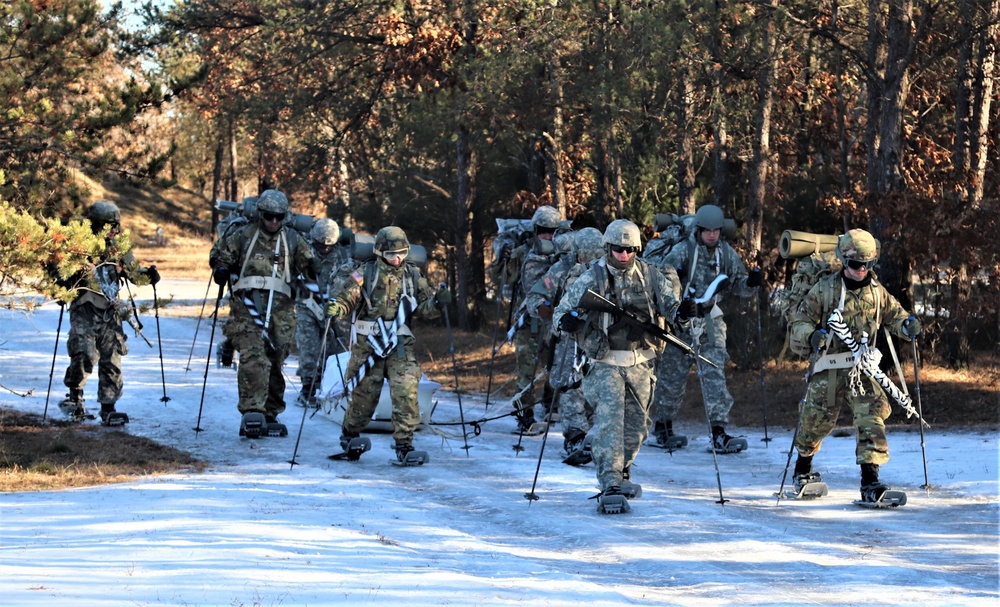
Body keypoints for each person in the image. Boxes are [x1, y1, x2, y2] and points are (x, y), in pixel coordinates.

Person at [553, 219, 692, 512]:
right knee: (611, 425)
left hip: (641, 362)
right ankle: (610, 483)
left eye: (630, 250)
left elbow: (670, 306)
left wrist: (683, 312)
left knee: (637, 427)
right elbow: (562, 309)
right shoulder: (592, 277)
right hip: (605, 363)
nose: (624, 256)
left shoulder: (651, 275)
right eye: (618, 250)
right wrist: (565, 321)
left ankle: (622, 470)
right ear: (608, 248)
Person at [789, 228, 920, 503]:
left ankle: (870, 482)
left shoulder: (876, 291)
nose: (861, 270)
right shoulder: (825, 289)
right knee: (814, 422)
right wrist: (812, 335)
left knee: (871, 418)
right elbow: (800, 322)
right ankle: (802, 470)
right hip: (830, 367)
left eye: (867, 265)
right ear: (843, 261)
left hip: (863, 368)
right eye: (855, 264)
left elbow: (894, 316)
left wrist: (907, 326)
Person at [647, 204, 762, 453]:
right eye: (707, 230)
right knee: (671, 377)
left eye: (716, 230)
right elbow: (661, 282)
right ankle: (663, 426)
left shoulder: (726, 254)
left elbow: (736, 284)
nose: (712, 235)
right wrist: (675, 296)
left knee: (714, 374)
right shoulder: (682, 251)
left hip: (710, 322)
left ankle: (719, 431)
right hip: (679, 323)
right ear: (698, 229)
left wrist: (751, 283)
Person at [325, 226, 445, 462]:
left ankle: (405, 444)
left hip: (400, 344)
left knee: (406, 390)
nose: (396, 258)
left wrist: (438, 302)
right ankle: (350, 435)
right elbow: (347, 296)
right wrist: (337, 308)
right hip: (369, 344)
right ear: (380, 252)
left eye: (401, 253)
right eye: (391, 254)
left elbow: (424, 308)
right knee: (364, 395)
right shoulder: (365, 273)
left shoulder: (412, 275)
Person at [209, 189, 314, 436]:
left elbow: (309, 265)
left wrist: (314, 274)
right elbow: (220, 255)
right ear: (260, 214)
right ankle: (252, 412)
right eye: (269, 216)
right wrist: (222, 268)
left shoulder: (292, 239)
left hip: (282, 311)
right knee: (254, 356)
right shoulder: (243, 234)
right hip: (247, 307)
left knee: (275, 359)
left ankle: (271, 412)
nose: (273, 222)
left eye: (279, 217)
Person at [57, 200, 160, 425]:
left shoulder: (118, 245)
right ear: (96, 225)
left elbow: (132, 270)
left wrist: (148, 275)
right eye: (109, 225)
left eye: (116, 225)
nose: (114, 229)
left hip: (111, 309)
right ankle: (75, 395)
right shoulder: (78, 241)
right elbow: (60, 268)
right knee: (84, 353)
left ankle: (109, 407)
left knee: (112, 357)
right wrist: (61, 285)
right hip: (84, 306)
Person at [524, 227, 604, 463]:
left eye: (595, 258)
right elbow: (535, 297)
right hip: (568, 339)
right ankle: (575, 436)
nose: (589, 263)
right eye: (584, 258)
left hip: (600, 339)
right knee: (570, 387)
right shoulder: (561, 269)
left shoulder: (609, 270)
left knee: (595, 389)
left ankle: (590, 435)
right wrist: (548, 311)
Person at [494, 205, 564, 432]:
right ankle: (524, 414)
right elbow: (504, 275)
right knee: (526, 368)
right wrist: (503, 258)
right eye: (543, 230)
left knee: (554, 366)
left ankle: (550, 401)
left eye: (552, 230)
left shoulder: (564, 252)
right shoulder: (523, 251)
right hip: (529, 319)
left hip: (554, 320)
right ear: (535, 230)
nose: (547, 235)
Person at [295, 218, 352, 407]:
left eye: (329, 245)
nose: (325, 249)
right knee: (309, 347)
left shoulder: (344, 256)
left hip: (335, 308)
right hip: (307, 305)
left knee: (336, 349)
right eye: (321, 245)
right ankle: (308, 386)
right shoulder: (303, 250)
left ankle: (332, 386)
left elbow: (354, 277)